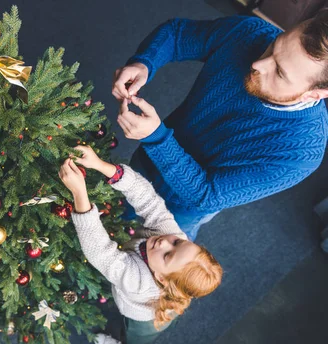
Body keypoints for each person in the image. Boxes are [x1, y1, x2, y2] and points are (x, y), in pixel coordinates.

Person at [112, 13, 328, 239]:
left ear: (315, 94)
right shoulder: (251, 32)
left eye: (280, 73)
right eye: (275, 45)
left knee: (142, 258)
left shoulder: (302, 153)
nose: (258, 65)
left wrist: (157, 138)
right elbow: (177, 34)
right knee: (109, 207)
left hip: (178, 209)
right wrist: (145, 62)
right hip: (145, 162)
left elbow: (206, 194)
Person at [59, 146, 223, 344]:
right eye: (177, 242)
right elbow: (149, 200)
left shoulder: (140, 283)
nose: (165, 241)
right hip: (173, 293)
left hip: (144, 317)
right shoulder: (172, 237)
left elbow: (100, 251)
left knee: (138, 341)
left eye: (167, 255)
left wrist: (80, 193)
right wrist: (100, 165)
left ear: (161, 278)